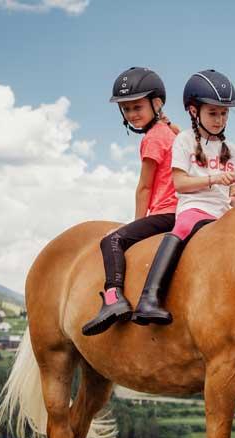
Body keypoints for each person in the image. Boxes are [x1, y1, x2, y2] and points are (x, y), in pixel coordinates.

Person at [130, 69, 235, 326]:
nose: (219, 120)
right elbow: (180, 183)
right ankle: (149, 298)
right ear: (195, 112)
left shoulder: (234, 151)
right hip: (195, 208)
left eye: (224, 113)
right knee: (182, 227)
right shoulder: (183, 141)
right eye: (212, 113)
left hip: (223, 213)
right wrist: (213, 179)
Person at [81, 67, 180, 336]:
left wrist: (138, 224)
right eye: (126, 109)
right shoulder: (171, 133)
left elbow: (144, 186)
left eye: (137, 107)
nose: (132, 114)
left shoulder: (152, 139)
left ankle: (114, 299)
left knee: (111, 240)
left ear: (156, 104)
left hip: (165, 213)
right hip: (181, 211)